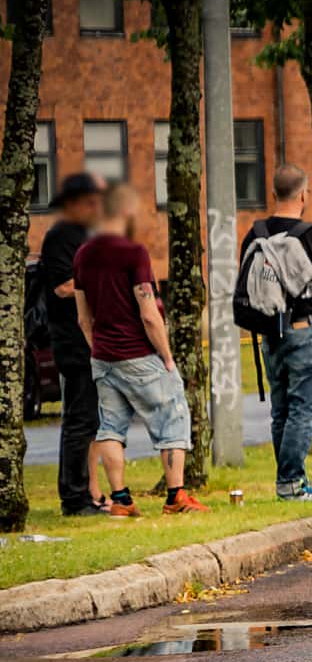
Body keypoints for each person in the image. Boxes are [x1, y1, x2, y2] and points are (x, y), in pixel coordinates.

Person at [71, 185, 207, 516]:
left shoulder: (82, 255)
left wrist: (98, 350)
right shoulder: (133, 253)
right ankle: (176, 496)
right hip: (138, 354)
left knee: (110, 427)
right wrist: (167, 357)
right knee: (172, 416)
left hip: (103, 358)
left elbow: (83, 318)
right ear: (126, 212)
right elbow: (148, 314)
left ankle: (120, 500)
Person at [242, 165, 312, 502]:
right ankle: (290, 483)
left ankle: (289, 480)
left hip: (270, 334)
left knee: (281, 411)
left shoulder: (255, 234)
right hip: (305, 331)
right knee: (303, 409)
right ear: (304, 195)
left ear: (274, 194)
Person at [38, 173, 109, 515]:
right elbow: (63, 286)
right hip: (73, 341)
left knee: (93, 420)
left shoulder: (89, 234)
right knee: (79, 419)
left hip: (94, 340)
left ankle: (91, 490)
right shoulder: (60, 236)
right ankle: (74, 495)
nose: (98, 207)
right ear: (76, 203)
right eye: (93, 202)